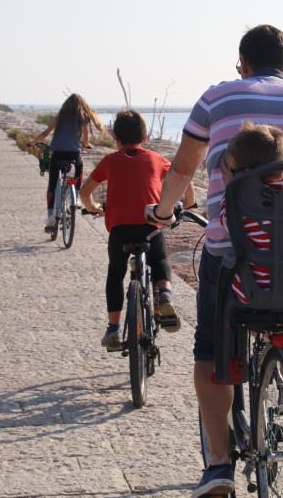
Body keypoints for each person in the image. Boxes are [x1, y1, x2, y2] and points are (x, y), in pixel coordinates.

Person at [145, 25, 283, 498]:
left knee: (210, 352)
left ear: (242, 64)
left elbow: (184, 169)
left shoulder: (217, 99)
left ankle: (217, 466)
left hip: (232, 257)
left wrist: (162, 213)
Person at [79, 110, 195, 348]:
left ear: (115, 136)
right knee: (160, 259)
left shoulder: (109, 161)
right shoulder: (157, 159)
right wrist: (189, 204)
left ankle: (113, 330)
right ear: (145, 135)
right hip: (150, 227)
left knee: (115, 273)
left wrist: (95, 208)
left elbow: (84, 193)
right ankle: (164, 295)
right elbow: (185, 181)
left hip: (120, 230)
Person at [219, 122, 283, 304]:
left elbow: (226, 223)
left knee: (223, 270)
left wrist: (230, 188)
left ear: (240, 172)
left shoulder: (239, 203)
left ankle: (225, 329)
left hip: (254, 292)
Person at [27, 93, 95, 231]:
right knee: (78, 171)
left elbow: (46, 133)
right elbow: (86, 140)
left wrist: (32, 142)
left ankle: (51, 216)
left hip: (57, 154)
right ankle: (76, 198)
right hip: (74, 155)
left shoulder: (61, 116)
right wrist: (86, 145)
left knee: (52, 185)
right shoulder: (83, 117)